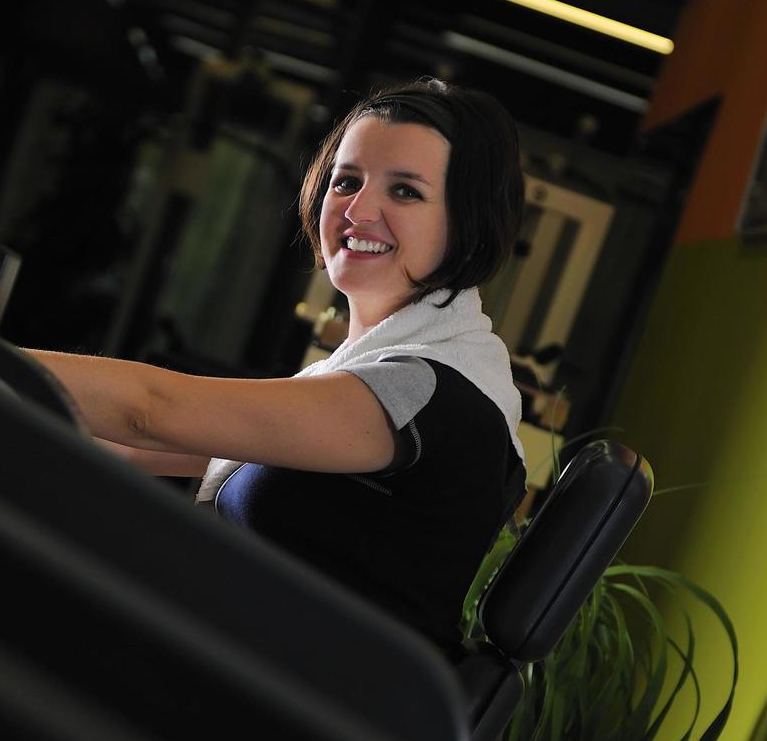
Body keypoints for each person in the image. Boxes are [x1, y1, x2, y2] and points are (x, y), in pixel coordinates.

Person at [27, 77, 527, 654]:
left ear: (466, 221)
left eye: (406, 192)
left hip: (308, 716)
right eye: (347, 181)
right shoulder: (388, 374)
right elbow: (131, 447)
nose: (359, 210)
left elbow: (149, 412)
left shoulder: (422, 390)